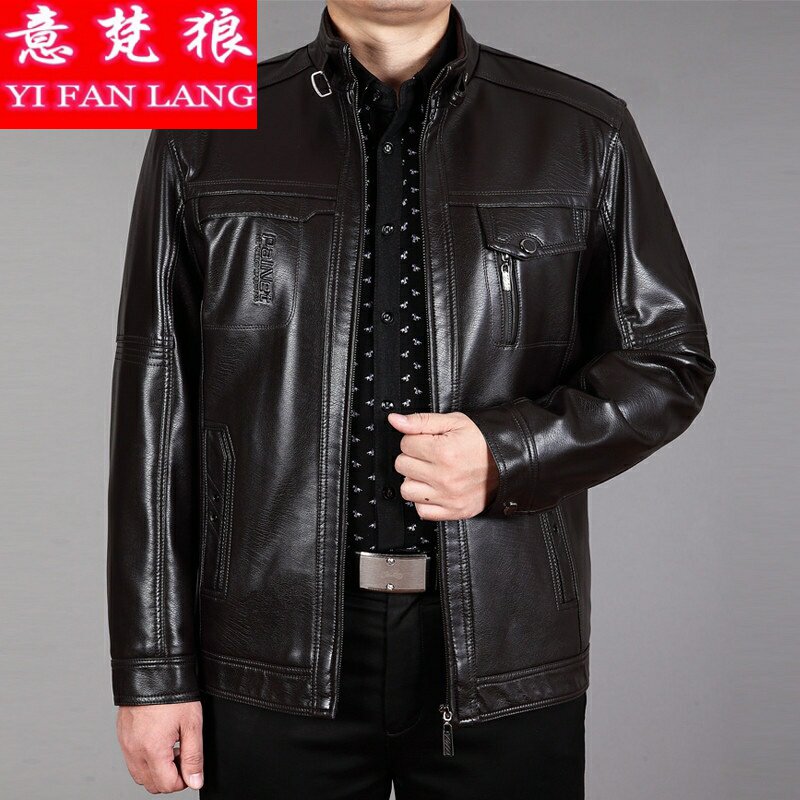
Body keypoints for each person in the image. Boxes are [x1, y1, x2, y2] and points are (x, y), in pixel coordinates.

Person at [107, 1, 716, 797]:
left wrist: (509, 454)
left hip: (504, 646)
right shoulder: (202, 133)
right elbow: (155, 408)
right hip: (270, 647)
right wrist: (153, 670)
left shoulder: (581, 132)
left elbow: (668, 360)